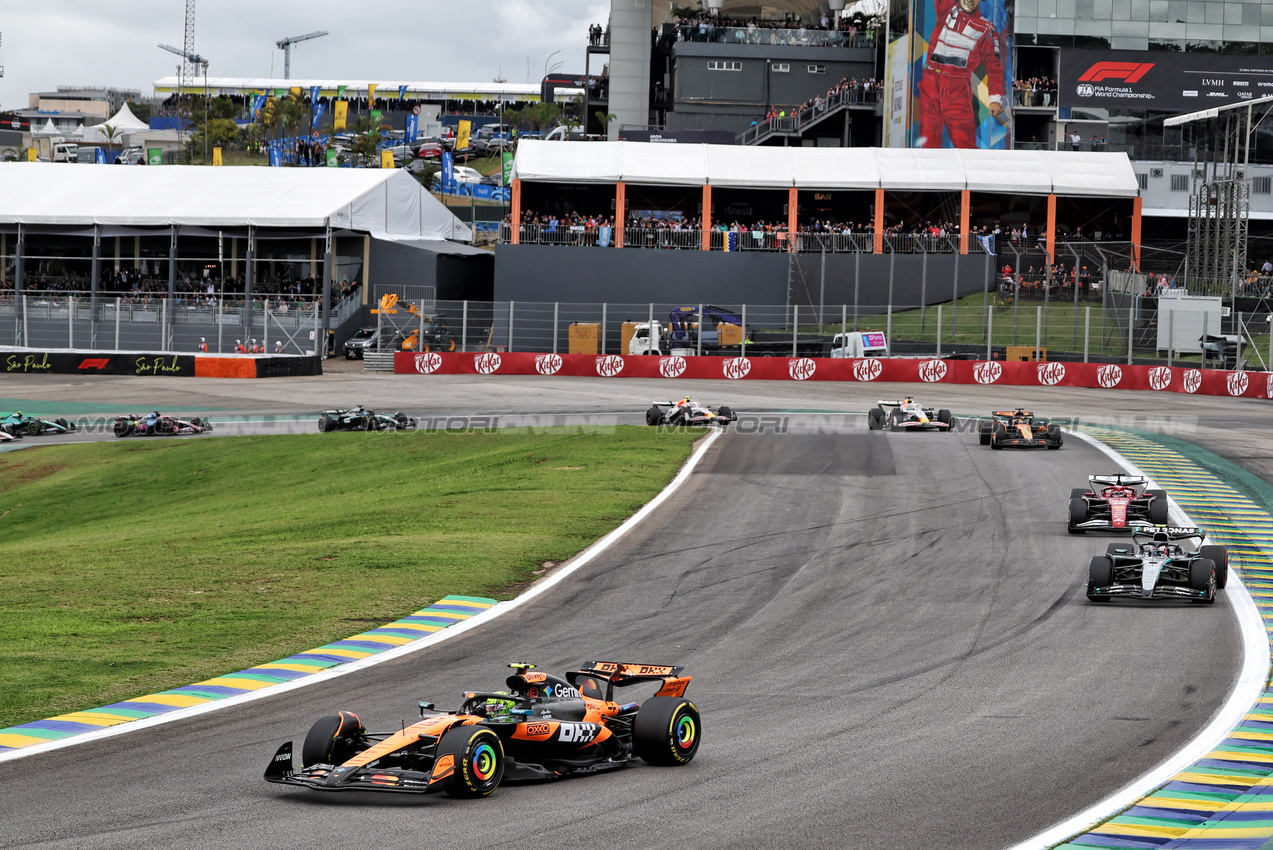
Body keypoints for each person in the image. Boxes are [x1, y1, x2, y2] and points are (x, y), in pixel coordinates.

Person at [917, 0, 1003, 148]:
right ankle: (930, 171)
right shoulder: (947, 8)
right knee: (928, 141)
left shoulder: (987, 29)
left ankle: (970, 170)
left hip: (957, 87)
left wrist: (995, 99)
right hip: (930, 82)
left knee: (964, 143)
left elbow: (994, 67)